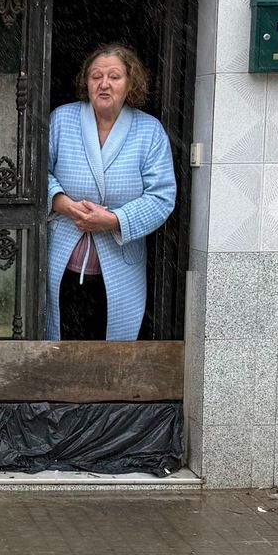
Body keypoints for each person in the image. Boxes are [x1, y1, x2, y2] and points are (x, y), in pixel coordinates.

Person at [45, 45, 178, 341]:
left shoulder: (149, 131)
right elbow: (36, 172)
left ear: (130, 83)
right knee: (60, 341)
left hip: (120, 262)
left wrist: (115, 220)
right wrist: (61, 202)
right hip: (62, 256)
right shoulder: (62, 120)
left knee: (111, 347)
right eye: (96, 76)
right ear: (86, 82)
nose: (104, 84)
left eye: (114, 77)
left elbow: (162, 196)